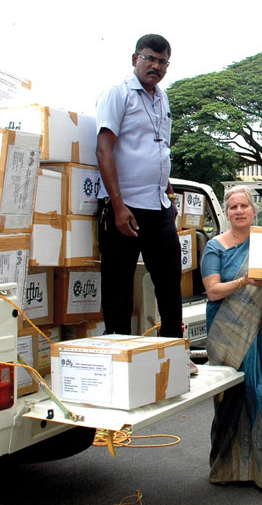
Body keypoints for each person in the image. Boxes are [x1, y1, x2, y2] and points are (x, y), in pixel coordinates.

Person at [201, 186, 262, 492]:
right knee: (228, 398)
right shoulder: (215, 246)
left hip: (255, 328)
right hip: (224, 329)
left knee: (259, 392)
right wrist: (244, 281)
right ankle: (227, 467)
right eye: (233, 207)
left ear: (254, 210)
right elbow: (212, 290)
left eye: (244, 206)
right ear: (226, 213)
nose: (238, 211)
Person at [95, 33, 181, 337]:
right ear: (135, 60)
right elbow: (104, 149)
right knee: (119, 291)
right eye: (150, 58)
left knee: (171, 287)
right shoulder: (117, 94)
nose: (155, 66)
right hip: (124, 207)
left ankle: (173, 354)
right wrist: (118, 205)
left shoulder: (163, 98)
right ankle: (119, 357)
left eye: (162, 62)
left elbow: (159, 149)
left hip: (158, 207)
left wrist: (168, 196)